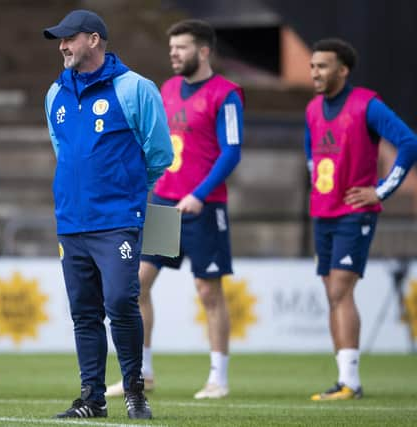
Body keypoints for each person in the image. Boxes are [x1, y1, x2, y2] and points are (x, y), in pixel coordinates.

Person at [43, 9, 173, 420]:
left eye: (69, 38)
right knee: (84, 312)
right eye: (60, 40)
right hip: (71, 220)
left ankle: (134, 389)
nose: (62, 46)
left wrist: (125, 188)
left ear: (94, 40)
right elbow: (63, 152)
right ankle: (92, 398)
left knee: (120, 300)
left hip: (118, 218)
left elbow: (160, 155)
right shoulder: (54, 94)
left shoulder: (135, 88)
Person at [106, 19, 244, 400]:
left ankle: (219, 376)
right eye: (171, 48)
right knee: (138, 285)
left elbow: (231, 151)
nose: (173, 54)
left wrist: (200, 193)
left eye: (181, 47)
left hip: (203, 206)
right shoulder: (166, 89)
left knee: (208, 291)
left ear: (203, 51)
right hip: (164, 204)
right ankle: (142, 373)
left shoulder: (227, 94)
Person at [306, 38, 417, 400]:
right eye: (312, 66)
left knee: (340, 289)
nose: (315, 72)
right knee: (332, 293)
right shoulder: (312, 109)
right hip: (322, 213)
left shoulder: (367, 105)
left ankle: (351, 382)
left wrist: (381, 190)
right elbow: (311, 150)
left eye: (322, 66)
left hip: (356, 212)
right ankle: (344, 380)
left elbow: (408, 142)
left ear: (343, 70)